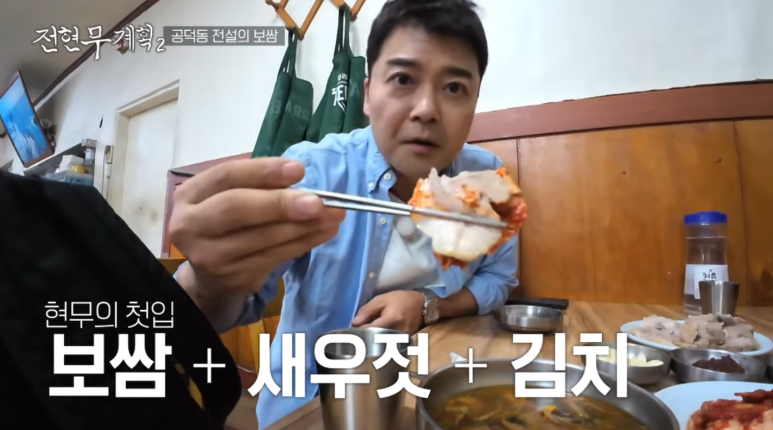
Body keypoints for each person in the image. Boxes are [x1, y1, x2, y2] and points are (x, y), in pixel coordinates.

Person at [169, 0, 519, 427]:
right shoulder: (313, 173)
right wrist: (207, 281)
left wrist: (427, 304)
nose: (426, 109)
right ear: (367, 94)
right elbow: (226, 307)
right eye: (403, 79)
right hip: (311, 405)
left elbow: (499, 280)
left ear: (475, 101)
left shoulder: (485, 181)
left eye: (454, 88)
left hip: (432, 391)